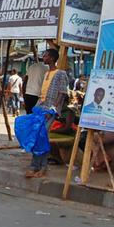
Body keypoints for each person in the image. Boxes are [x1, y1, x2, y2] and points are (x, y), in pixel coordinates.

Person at [26, 48, 69, 177]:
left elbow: (62, 94)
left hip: (50, 109)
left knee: (42, 137)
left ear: (51, 58)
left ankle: (41, 167)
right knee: (35, 136)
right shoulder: (46, 74)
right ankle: (35, 166)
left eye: (45, 56)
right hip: (40, 106)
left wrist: (54, 109)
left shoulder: (60, 73)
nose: (43, 57)